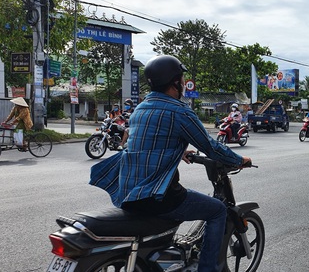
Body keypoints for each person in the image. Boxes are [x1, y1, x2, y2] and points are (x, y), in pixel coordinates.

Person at [90, 55, 251, 272]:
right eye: (181, 78)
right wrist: (240, 160)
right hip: (156, 197)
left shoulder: (141, 108)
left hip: (127, 192)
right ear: (175, 82)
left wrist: (179, 150)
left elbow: (145, 140)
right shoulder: (179, 111)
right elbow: (211, 146)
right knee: (217, 211)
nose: (183, 83)